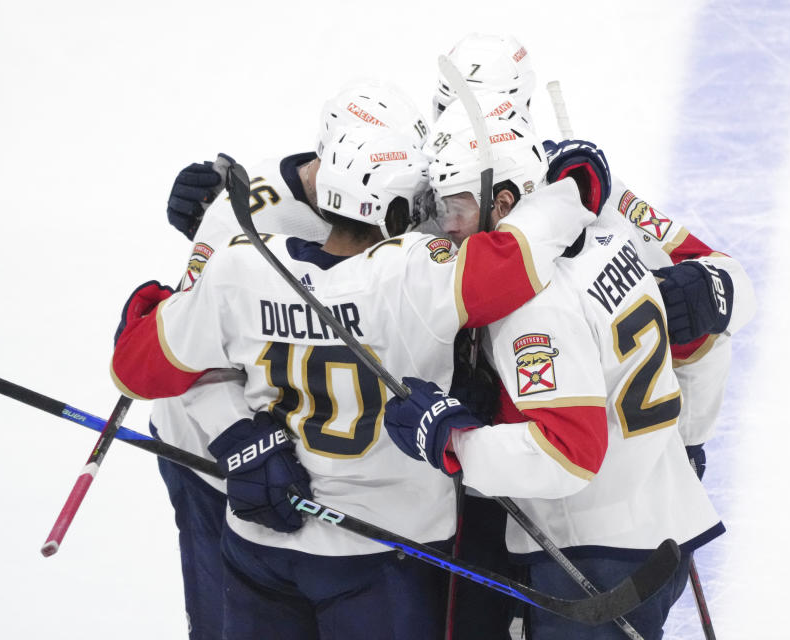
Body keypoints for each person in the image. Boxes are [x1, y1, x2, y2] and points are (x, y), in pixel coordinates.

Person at [111, 123, 602, 639]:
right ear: (394, 208)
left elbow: (133, 368)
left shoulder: (240, 266)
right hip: (387, 551)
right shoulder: (414, 273)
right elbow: (520, 256)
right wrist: (575, 187)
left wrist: (154, 305)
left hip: (263, 546)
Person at [429, 36, 755, 638]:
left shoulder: (589, 197)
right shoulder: (456, 193)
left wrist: (705, 295)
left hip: (563, 510)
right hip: (551, 503)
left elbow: (726, 281)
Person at [147, 80, 430, 639]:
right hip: (209, 455)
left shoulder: (394, 188)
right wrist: (237, 438)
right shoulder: (242, 217)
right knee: (222, 618)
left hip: (322, 458)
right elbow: (183, 352)